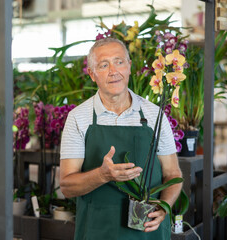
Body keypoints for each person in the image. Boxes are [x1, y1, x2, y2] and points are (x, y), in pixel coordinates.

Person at [59, 38, 182, 240]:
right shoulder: (78, 118)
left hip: (147, 232)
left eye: (119, 61)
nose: (113, 71)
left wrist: (165, 206)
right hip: (97, 231)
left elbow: (173, 174)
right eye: (103, 65)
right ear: (92, 74)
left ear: (129, 66)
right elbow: (67, 187)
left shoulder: (154, 115)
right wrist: (102, 175)